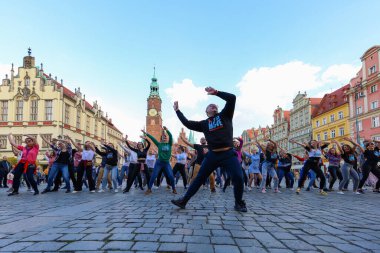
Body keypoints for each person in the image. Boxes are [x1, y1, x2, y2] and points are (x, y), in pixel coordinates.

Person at [171, 87, 247, 212]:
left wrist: (216, 93)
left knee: (238, 177)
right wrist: (177, 110)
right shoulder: (204, 124)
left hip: (228, 153)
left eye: (214, 105)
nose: (212, 106)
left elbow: (232, 98)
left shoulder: (225, 115)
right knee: (199, 178)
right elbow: (187, 123)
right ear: (206, 112)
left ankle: (239, 203)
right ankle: (183, 201)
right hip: (212, 155)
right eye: (210, 106)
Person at [144, 126, 177, 194]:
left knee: (171, 176)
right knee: (154, 175)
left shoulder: (169, 144)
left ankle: (174, 189)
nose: (164, 137)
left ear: (166, 138)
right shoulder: (159, 144)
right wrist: (145, 133)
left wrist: (166, 130)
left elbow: (170, 136)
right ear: (161, 138)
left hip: (166, 163)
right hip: (159, 162)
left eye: (165, 137)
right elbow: (152, 138)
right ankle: (149, 189)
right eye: (163, 137)